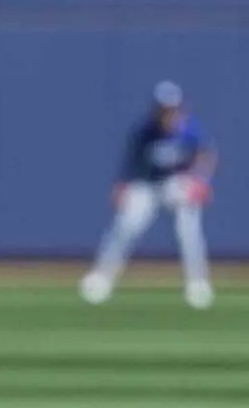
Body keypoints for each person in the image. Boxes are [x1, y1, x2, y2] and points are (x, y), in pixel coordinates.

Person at [79, 80, 218, 309]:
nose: (168, 113)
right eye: (164, 109)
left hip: (176, 182)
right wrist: (123, 186)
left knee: (188, 230)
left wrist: (201, 181)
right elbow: (130, 162)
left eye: (172, 109)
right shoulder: (144, 131)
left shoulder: (189, 129)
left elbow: (206, 153)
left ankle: (198, 284)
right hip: (147, 184)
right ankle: (101, 279)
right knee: (126, 227)